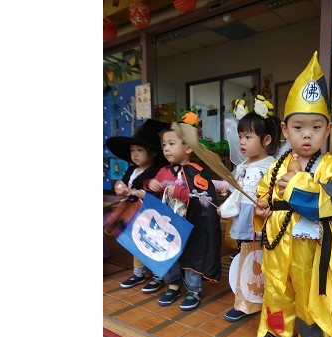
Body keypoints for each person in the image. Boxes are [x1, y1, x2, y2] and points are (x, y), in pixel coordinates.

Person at [250, 52, 332, 337]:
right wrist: (261, 208)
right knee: (276, 291)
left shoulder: (331, 167)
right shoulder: (276, 165)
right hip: (278, 246)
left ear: (328, 130)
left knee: (313, 295)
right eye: (298, 127)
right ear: (285, 130)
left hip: (313, 248)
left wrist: (295, 184)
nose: (306, 135)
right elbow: (264, 194)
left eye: (315, 127)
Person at [144, 111, 222, 311]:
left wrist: (180, 192)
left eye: (172, 143)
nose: (166, 148)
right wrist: (149, 183)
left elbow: (205, 200)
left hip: (191, 227)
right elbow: (152, 193)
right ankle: (173, 285)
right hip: (166, 226)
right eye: (164, 144)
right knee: (168, 254)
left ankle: (193, 290)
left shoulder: (197, 172)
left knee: (192, 255)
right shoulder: (164, 171)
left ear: (188, 147)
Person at [216, 96, 282, 322]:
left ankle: (255, 299)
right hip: (244, 218)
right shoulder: (243, 165)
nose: (241, 142)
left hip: (261, 219)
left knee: (261, 258)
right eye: (240, 137)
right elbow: (234, 189)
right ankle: (247, 299)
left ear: (266, 139)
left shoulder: (272, 165)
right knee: (247, 256)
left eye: (248, 137)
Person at [105, 119, 170, 293]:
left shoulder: (156, 172)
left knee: (152, 243)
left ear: (153, 153)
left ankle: (157, 275)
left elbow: (154, 194)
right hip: (131, 213)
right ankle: (138, 272)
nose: (135, 154)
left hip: (149, 214)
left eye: (139, 150)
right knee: (136, 243)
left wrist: (133, 191)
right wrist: (119, 187)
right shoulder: (131, 170)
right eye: (132, 150)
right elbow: (123, 185)